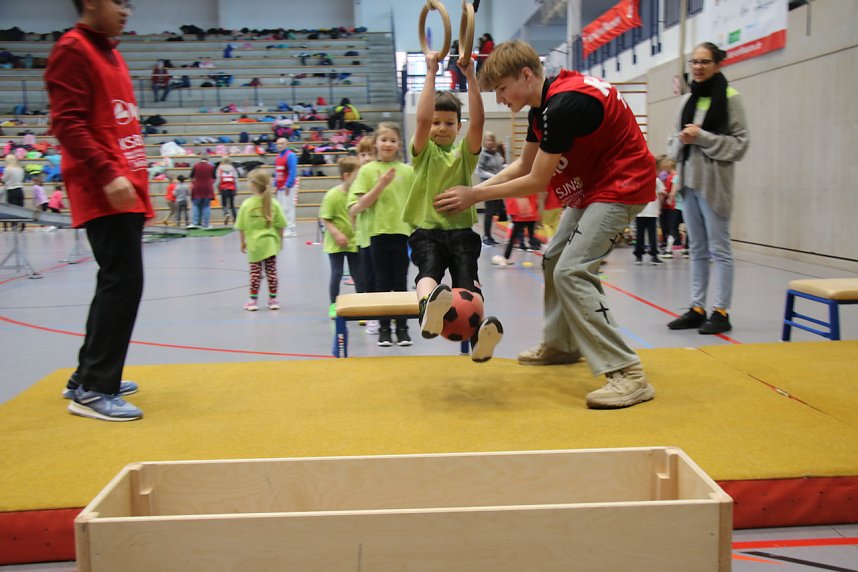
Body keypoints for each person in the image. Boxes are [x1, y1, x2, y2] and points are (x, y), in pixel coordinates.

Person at [434, 40, 656, 409]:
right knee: (553, 260)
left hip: (623, 185)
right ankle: (562, 345)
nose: (500, 99)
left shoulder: (563, 105)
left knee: (571, 271)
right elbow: (522, 166)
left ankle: (627, 373)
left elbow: (536, 181)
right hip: (596, 186)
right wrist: (472, 189)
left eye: (502, 89)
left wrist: (474, 197)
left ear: (525, 74)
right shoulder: (545, 106)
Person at [46, 0, 154, 421]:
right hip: (103, 187)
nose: (126, 10)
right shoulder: (73, 48)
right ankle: (94, 388)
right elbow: (67, 122)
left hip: (124, 183)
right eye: (117, 1)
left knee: (117, 279)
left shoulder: (109, 51)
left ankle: (86, 375)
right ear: (90, 1)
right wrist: (109, 174)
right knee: (123, 280)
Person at [405, 51, 503, 362]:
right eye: (436, 122)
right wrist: (431, 72)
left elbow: (479, 121)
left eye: (449, 122)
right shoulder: (424, 153)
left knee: (468, 283)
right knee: (428, 272)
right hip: (428, 232)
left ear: (458, 127)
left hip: (462, 233)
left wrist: (472, 77)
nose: (441, 127)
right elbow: (421, 119)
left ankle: (479, 338)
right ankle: (427, 311)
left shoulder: (465, 154)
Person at [666, 42, 749, 335]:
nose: (698, 67)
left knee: (720, 249)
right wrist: (681, 142)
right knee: (697, 249)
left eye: (705, 62)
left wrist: (701, 137)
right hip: (688, 184)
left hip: (715, 186)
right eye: (694, 62)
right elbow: (672, 143)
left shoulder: (730, 97)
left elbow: (740, 144)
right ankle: (697, 307)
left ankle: (721, 311)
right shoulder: (686, 100)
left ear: (718, 64)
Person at [348, 122, 414, 347]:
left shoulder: (407, 171)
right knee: (381, 283)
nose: (388, 144)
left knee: (401, 281)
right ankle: (385, 329)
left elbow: (415, 202)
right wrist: (381, 185)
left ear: (398, 145)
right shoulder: (367, 171)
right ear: (376, 142)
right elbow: (358, 206)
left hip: (401, 233)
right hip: (376, 234)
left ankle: (403, 328)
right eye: (384, 139)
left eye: (393, 140)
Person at [235, 168, 286, 311]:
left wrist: (242, 242)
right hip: (270, 243)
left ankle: (253, 300)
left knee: (255, 273)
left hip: (254, 244)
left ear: (254, 185)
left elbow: (242, 226)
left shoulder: (247, 204)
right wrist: (280, 240)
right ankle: (273, 299)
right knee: (271, 272)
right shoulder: (274, 203)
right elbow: (281, 224)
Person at [320, 157, 362, 319]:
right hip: (336, 243)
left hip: (354, 241)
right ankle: (333, 304)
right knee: (336, 273)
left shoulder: (358, 196)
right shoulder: (332, 196)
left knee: (358, 274)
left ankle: (360, 305)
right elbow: (326, 218)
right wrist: (336, 233)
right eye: (357, 175)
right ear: (346, 176)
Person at [353, 135, 379, 334]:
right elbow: (353, 209)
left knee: (386, 278)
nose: (366, 158)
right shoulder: (358, 179)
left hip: (385, 233)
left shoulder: (381, 174)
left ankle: (390, 313)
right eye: (362, 154)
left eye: (370, 153)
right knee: (368, 278)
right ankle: (372, 315)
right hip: (365, 237)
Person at [633, 156, 666, 265]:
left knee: (640, 234)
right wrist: (660, 207)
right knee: (652, 235)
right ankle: (654, 256)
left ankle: (639, 256)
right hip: (652, 211)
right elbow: (662, 195)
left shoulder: (638, 179)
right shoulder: (656, 180)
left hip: (640, 211)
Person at [491, 193, 539, 267]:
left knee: (513, 237)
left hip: (521, 214)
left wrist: (523, 209)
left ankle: (505, 258)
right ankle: (545, 251)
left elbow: (519, 195)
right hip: (531, 212)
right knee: (531, 236)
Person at [476, 132, 506, 245]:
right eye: (487, 140)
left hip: (496, 186)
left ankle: (491, 236)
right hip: (487, 186)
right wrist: (493, 177)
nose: (489, 142)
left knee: (495, 211)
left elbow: (500, 166)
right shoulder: (483, 154)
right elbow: (479, 171)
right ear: (484, 141)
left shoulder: (496, 154)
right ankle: (486, 236)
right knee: (489, 212)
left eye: (491, 140)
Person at [273, 137, 298, 237]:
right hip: (279, 187)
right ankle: (283, 228)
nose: (280, 145)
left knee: (289, 208)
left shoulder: (291, 156)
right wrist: (275, 185)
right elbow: (277, 172)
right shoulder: (278, 157)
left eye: (282, 143)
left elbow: (293, 172)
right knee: (281, 209)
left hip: (288, 187)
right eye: (278, 144)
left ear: (287, 144)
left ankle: (291, 229)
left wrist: (288, 185)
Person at [189, 156, 215, 229]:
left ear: (200, 160)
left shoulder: (195, 166)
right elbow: (214, 178)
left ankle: (195, 223)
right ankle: (206, 224)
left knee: (195, 205)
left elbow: (191, 177)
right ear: (207, 160)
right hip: (208, 188)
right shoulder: (211, 167)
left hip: (197, 187)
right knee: (206, 206)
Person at [2, 154, 25, 231]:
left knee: (12, 210)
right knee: (21, 209)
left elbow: (4, 179)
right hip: (20, 190)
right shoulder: (20, 169)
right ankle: (22, 225)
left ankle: (14, 226)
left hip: (11, 190)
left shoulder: (8, 169)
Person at [215, 156, 238, 225]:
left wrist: (217, 187)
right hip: (232, 187)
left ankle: (226, 213)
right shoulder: (233, 168)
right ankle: (235, 219)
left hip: (223, 188)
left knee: (224, 204)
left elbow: (218, 179)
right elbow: (236, 179)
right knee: (232, 205)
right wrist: (236, 189)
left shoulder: (220, 168)